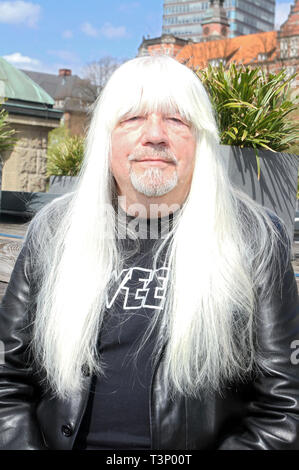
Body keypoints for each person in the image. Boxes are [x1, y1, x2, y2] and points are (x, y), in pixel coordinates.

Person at [0, 55, 298, 451]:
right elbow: (7, 380)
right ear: (106, 138)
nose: (155, 135)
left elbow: (284, 407)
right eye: (132, 119)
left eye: (177, 120)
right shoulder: (53, 232)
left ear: (202, 140)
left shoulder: (255, 238)